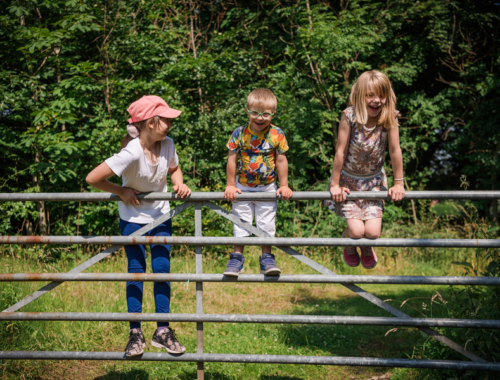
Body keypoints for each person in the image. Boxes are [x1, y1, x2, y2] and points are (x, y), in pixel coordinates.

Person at [86, 95, 191, 357]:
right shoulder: (132, 150)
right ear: (151, 123)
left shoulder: (168, 144)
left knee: (162, 271)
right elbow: (93, 178)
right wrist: (120, 191)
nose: (170, 123)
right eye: (165, 118)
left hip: (161, 216)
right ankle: (135, 333)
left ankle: (163, 331)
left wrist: (179, 182)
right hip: (133, 218)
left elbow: (175, 168)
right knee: (136, 271)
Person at [324, 70, 405, 269]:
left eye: (381, 95)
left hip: (374, 183)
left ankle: (367, 247)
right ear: (360, 96)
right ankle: (349, 241)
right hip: (348, 183)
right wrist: (335, 185)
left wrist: (398, 183)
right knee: (358, 232)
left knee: (373, 233)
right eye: (370, 95)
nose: (376, 100)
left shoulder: (389, 117)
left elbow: (395, 150)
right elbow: (340, 152)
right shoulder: (349, 116)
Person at [223, 88, 293, 277]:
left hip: (268, 186)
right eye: (255, 113)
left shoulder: (276, 134)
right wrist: (230, 185)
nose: (260, 118)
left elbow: (281, 160)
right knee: (241, 221)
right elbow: (232, 159)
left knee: (266, 223)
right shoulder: (239, 133)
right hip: (243, 186)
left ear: (273, 114)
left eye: (265, 114)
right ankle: (236, 259)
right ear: (247, 111)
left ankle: (267, 258)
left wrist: (284, 185)